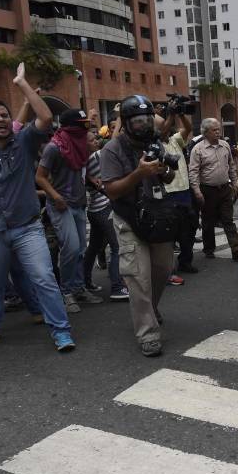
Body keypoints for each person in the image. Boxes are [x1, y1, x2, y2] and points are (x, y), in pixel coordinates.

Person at [0, 63, 75, 352]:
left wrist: (21, 83)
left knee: (44, 278)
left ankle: (61, 331)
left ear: (11, 120)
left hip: (27, 227)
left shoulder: (23, 141)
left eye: (4, 116)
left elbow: (46, 117)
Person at [99, 95, 178, 357]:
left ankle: (150, 307)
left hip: (156, 216)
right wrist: (139, 173)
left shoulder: (153, 141)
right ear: (126, 123)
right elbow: (111, 190)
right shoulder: (113, 149)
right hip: (128, 218)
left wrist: (163, 170)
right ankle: (148, 333)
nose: (144, 125)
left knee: (163, 269)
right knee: (138, 277)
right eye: (138, 120)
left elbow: (168, 176)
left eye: (147, 119)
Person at [36, 108, 104, 312]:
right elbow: (39, 177)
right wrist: (55, 196)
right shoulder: (54, 147)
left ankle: (78, 288)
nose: (86, 127)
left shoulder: (81, 144)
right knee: (71, 248)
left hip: (79, 202)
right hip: (60, 205)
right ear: (71, 127)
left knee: (80, 250)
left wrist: (91, 179)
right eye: (82, 124)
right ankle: (66, 292)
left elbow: (80, 169)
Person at [84, 130, 128, 301]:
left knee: (94, 247)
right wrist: (118, 119)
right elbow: (114, 141)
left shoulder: (81, 162)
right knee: (117, 246)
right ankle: (117, 287)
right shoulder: (96, 157)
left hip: (94, 210)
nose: (96, 141)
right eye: (92, 139)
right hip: (104, 207)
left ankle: (85, 282)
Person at [188, 118, 238, 261]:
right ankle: (209, 249)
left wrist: (235, 184)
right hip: (207, 190)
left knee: (228, 220)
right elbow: (193, 172)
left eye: (219, 129)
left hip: (224, 189)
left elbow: (231, 166)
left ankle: (236, 249)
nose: (218, 132)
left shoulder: (225, 146)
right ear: (205, 132)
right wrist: (197, 191)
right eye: (214, 130)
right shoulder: (198, 149)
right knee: (208, 222)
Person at [159, 106, 196, 283]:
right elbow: (162, 131)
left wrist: (181, 113)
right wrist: (171, 114)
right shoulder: (156, 143)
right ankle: (168, 269)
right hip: (169, 193)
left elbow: (188, 128)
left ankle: (185, 262)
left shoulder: (175, 140)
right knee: (170, 233)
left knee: (188, 229)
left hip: (184, 191)